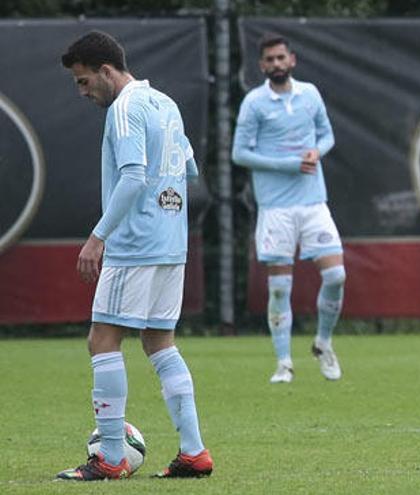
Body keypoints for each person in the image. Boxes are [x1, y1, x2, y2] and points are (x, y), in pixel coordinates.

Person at [56, 31, 213, 479]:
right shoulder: (165, 104)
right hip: (170, 243)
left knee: (102, 338)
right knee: (159, 341)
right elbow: (189, 171)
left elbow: (132, 178)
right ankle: (194, 452)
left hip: (135, 245)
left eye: (84, 82)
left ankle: (109, 457)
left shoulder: (124, 109)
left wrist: (98, 236)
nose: (83, 92)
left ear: (106, 71)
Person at [232, 33, 345, 383]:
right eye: (270, 60)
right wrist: (289, 164)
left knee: (336, 276)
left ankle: (323, 343)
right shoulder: (254, 103)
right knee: (280, 288)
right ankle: (284, 363)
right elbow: (240, 154)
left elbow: (327, 136)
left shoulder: (309, 94)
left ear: (292, 60)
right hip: (276, 209)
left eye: (282, 58)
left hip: (313, 202)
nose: (277, 64)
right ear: (262, 65)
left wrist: (316, 152)